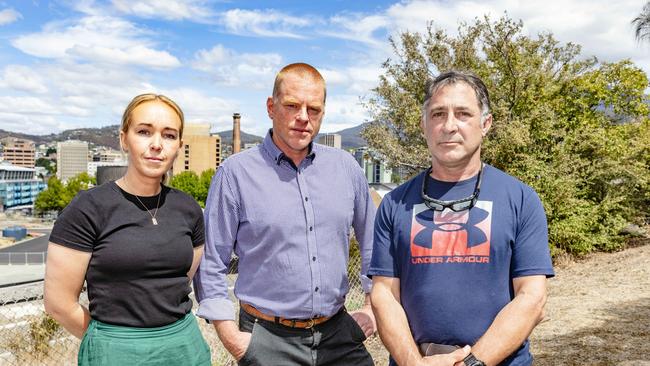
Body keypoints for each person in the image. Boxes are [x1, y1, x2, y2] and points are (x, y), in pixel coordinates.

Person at [193, 62, 376, 366]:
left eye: (313, 109)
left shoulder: (346, 169)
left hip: (339, 334)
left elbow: (373, 245)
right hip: (266, 340)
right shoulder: (234, 174)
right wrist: (233, 339)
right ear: (271, 106)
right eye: (292, 105)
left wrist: (371, 308)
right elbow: (212, 263)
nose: (303, 117)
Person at [369, 71, 555, 366]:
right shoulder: (394, 203)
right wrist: (413, 363)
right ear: (424, 124)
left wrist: (473, 363)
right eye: (438, 114)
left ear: (486, 124)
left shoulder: (521, 199)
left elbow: (532, 298)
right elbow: (383, 295)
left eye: (463, 114)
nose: (449, 126)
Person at [44, 94, 211, 366]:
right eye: (144, 132)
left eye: (168, 136)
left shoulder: (188, 208)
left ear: (179, 146)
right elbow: (58, 304)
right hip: (115, 350)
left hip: (185, 347)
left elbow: (183, 279)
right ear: (124, 139)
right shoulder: (88, 208)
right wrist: (108, 343)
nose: (156, 144)